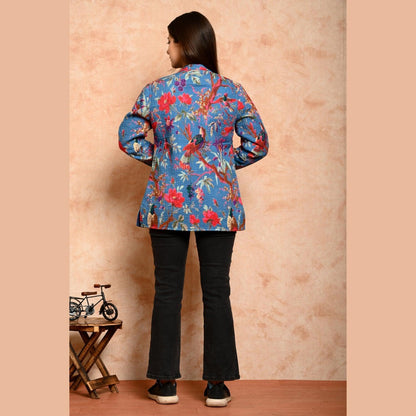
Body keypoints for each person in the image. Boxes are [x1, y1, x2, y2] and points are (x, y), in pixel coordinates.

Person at [118, 11, 268, 407]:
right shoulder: (230, 91)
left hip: (167, 202)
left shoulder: (156, 90)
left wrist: (163, 161)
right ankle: (217, 386)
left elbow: (129, 137)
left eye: (169, 41)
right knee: (217, 291)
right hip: (218, 204)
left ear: (184, 44)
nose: (166, 48)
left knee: (167, 290)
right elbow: (257, 144)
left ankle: (165, 383)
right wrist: (220, 166)